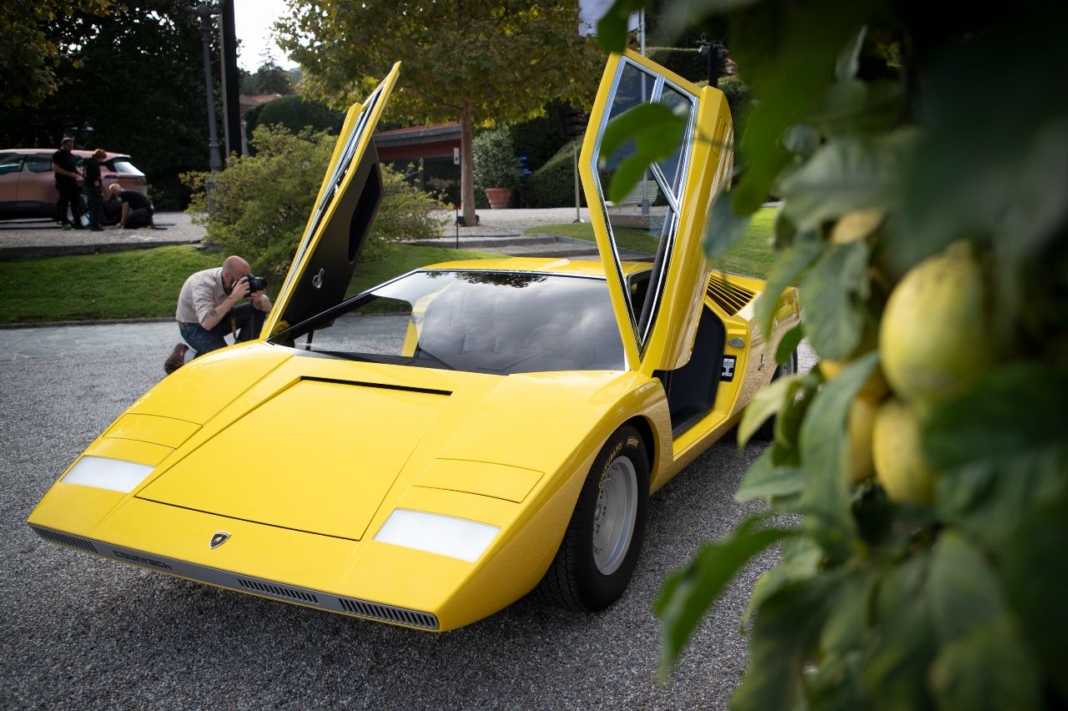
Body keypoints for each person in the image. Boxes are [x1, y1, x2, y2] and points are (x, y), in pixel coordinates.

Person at [164, 255, 273, 375]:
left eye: (248, 277)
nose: (245, 282)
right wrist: (233, 298)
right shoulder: (202, 284)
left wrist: (258, 299)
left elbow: (267, 309)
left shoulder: (234, 279)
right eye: (242, 278)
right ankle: (185, 355)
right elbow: (207, 323)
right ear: (226, 275)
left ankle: (243, 353)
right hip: (195, 326)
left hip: (219, 317)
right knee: (222, 362)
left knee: (255, 310)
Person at [51, 137, 83, 230]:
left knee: (75, 202)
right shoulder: (58, 154)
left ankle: (78, 223)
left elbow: (74, 167)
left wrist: (80, 173)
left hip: (72, 182)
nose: (70, 147)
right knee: (64, 202)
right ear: (63, 145)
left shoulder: (71, 155)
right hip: (63, 182)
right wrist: (69, 174)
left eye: (72, 145)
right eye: (68, 146)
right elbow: (55, 167)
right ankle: (64, 222)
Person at [83, 148, 106, 231]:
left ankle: (92, 223)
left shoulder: (88, 163)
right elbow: (95, 178)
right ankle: (95, 224)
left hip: (87, 186)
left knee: (91, 205)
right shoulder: (94, 164)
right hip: (92, 187)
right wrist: (98, 189)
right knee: (96, 206)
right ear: (100, 157)